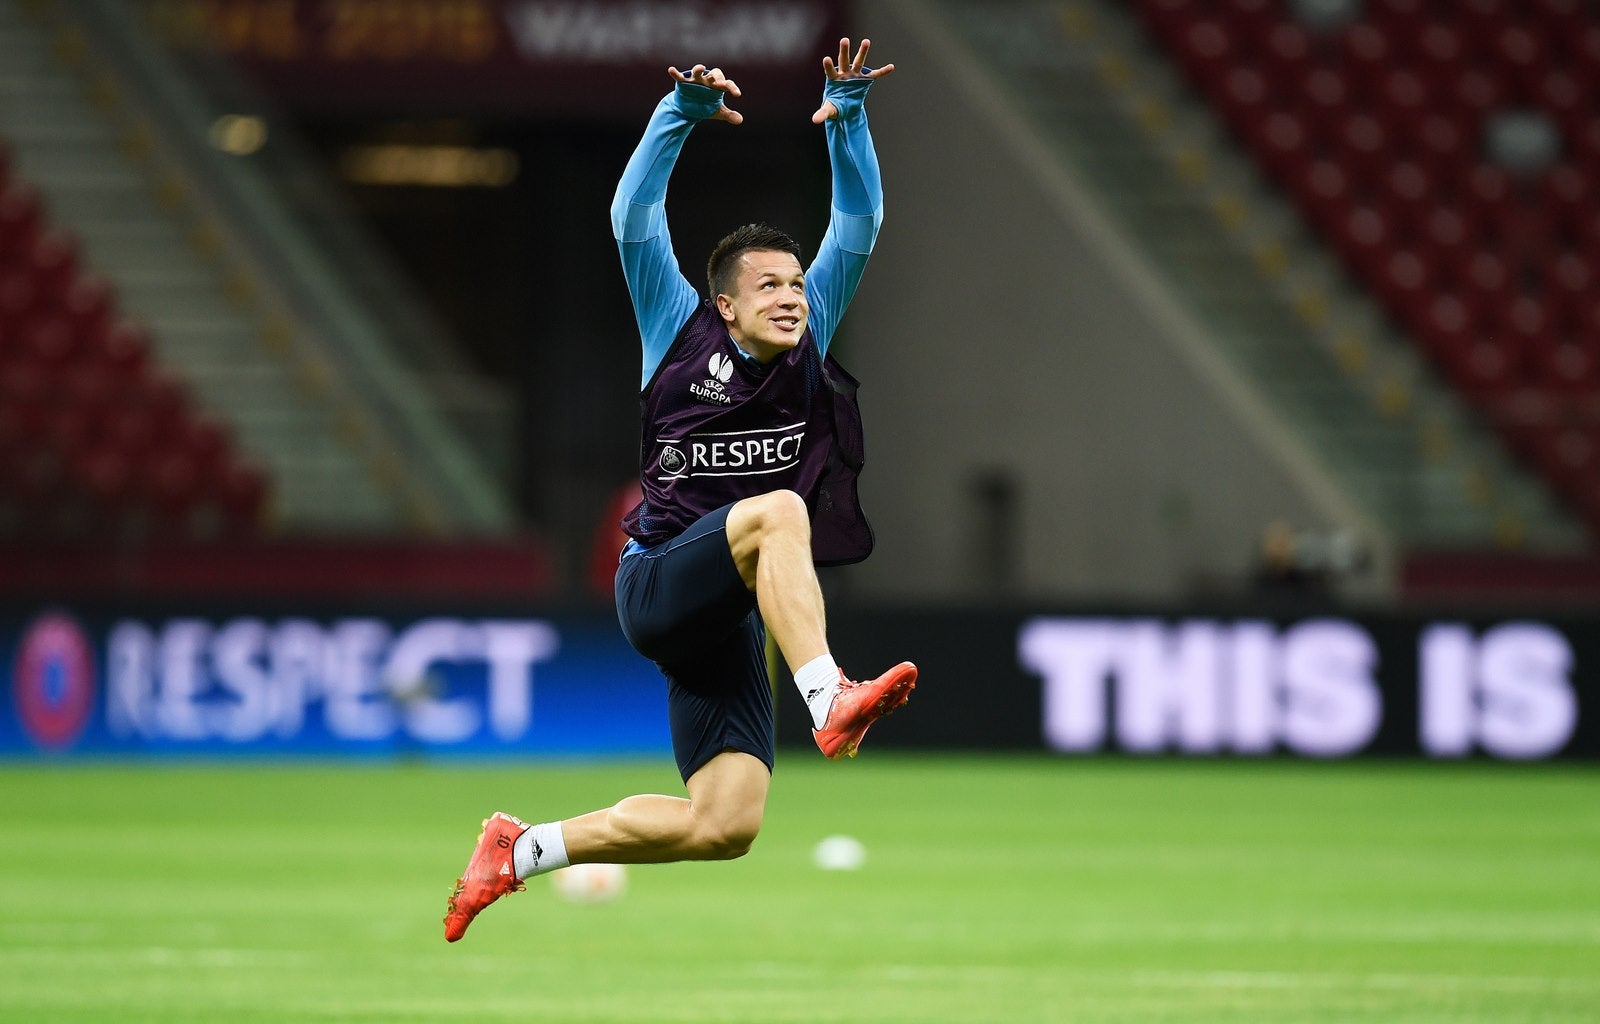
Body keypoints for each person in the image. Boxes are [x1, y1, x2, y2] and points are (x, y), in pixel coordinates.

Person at [444, 38, 915, 943]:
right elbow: (632, 218)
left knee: (726, 823)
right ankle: (828, 697)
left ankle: (520, 849)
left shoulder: (808, 335)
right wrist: (676, 117)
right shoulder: (678, 332)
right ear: (726, 305)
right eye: (768, 285)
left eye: (797, 283)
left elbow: (857, 224)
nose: (792, 296)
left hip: (727, 608)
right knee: (782, 511)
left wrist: (847, 120)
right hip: (659, 578)